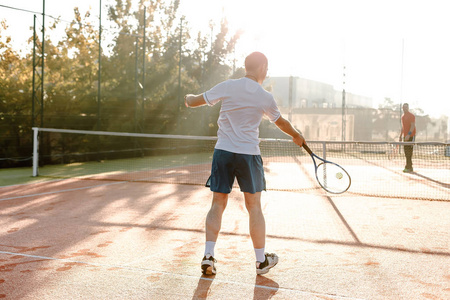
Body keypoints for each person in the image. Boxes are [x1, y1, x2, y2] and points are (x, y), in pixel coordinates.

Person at [184, 52, 306, 276]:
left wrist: (188, 97)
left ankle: (208, 256)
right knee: (254, 207)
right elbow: (280, 122)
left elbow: (194, 101)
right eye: (267, 68)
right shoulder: (264, 96)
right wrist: (296, 135)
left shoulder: (229, 86)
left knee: (217, 204)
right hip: (249, 154)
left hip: (223, 152)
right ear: (262, 68)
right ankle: (261, 262)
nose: (267, 72)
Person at [399, 103, 416, 172]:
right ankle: (409, 166)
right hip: (405, 137)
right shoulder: (402, 116)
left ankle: (409, 166)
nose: (404, 108)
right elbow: (403, 127)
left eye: (406, 107)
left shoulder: (411, 116)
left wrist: (409, 134)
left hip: (411, 136)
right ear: (402, 108)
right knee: (406, 152)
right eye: (403, 107)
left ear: (408, 108)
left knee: (409, 151)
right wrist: (400, 136)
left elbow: (412, 126)